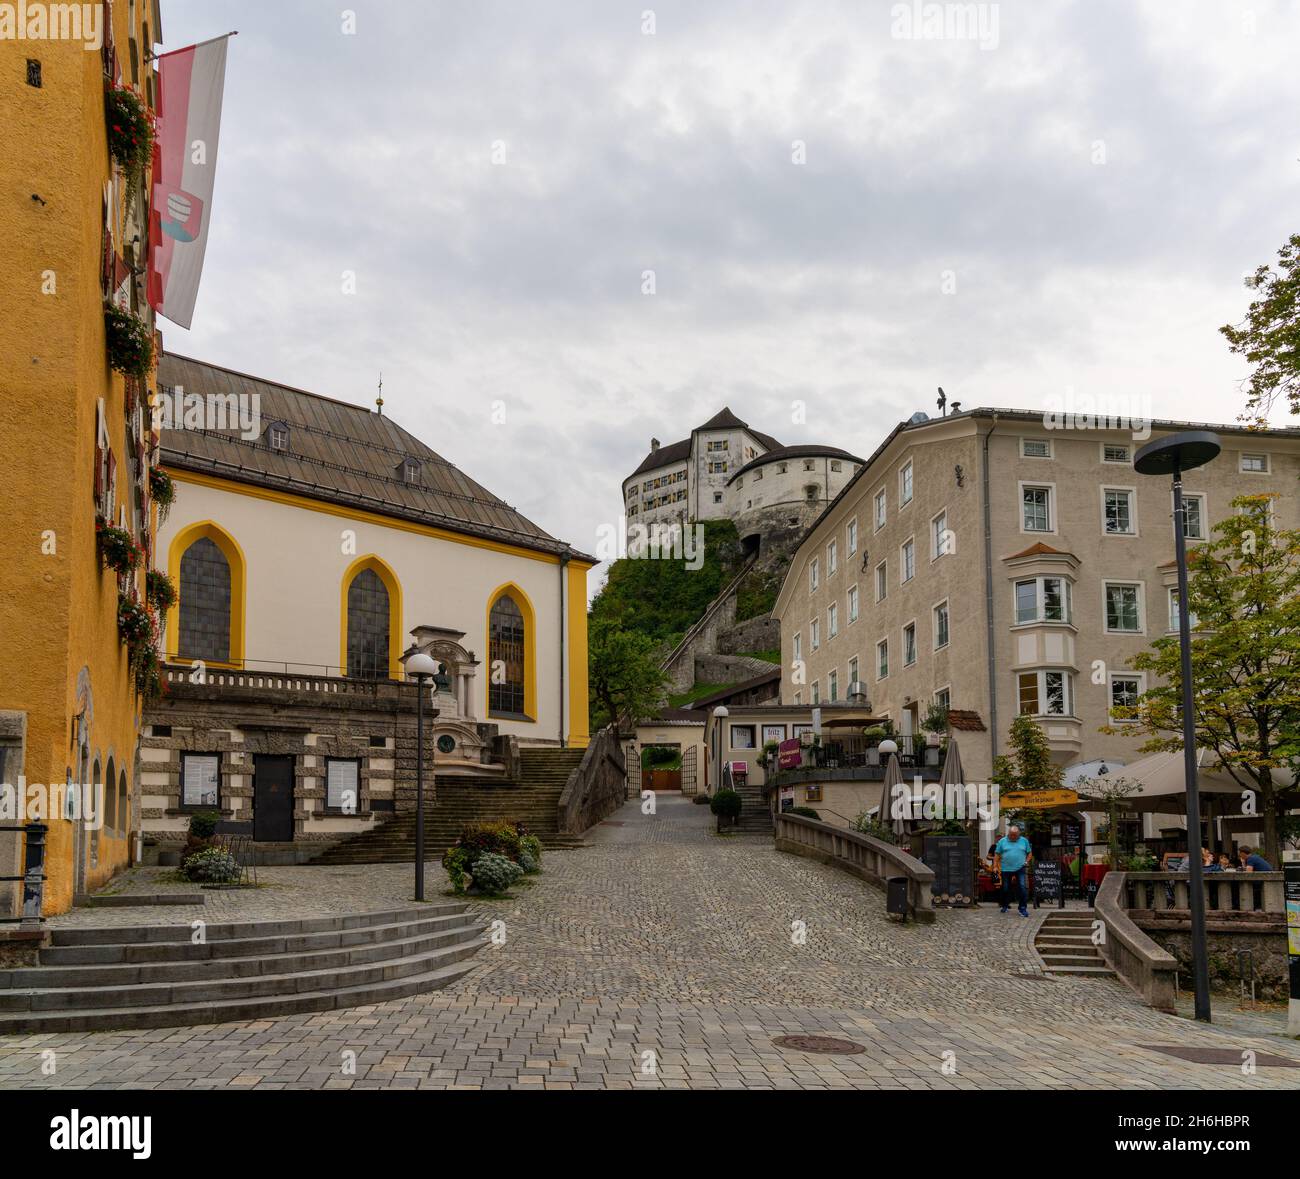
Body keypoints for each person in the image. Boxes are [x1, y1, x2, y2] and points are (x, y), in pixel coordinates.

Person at [994, 825, 1033, 917]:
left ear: (1019, 834)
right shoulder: (1002, 841)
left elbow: (1029, 853)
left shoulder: (1024, 841)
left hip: (1020, 867)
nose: (1013, 837)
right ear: (1009, 833)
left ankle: (1022, 908)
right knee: (1006, 888)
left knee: (1022, 887)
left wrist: (1027, 861)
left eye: (1015, 835)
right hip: (1006, 868)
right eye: (1011, 835)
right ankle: (1005, 905)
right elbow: (997, 854)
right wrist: (995, 866)